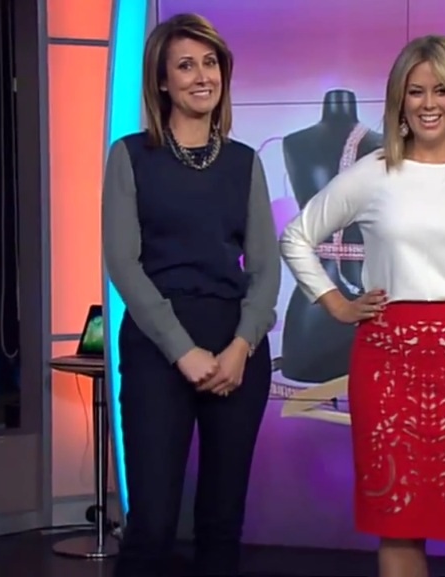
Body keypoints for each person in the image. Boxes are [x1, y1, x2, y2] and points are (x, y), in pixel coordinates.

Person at [280, 35, 445, 577]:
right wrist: (336, 303)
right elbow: (296, 237)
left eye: (441, 90)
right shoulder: (374, 173)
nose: (428, 104)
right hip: (387, 367)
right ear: (399, 99)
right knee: (398, 531)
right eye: (416, 91)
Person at [102, 13, 280, 577]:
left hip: (235, 349)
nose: (202, 76)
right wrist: (182, 350)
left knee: (222, 524)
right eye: (185, 65)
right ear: (162, 81)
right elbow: (123, 264)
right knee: (152, 525)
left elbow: (266, 268)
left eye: (210, 63)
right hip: (158, 348)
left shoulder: (244, 162)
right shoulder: (130, 156)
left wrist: (242, 346)